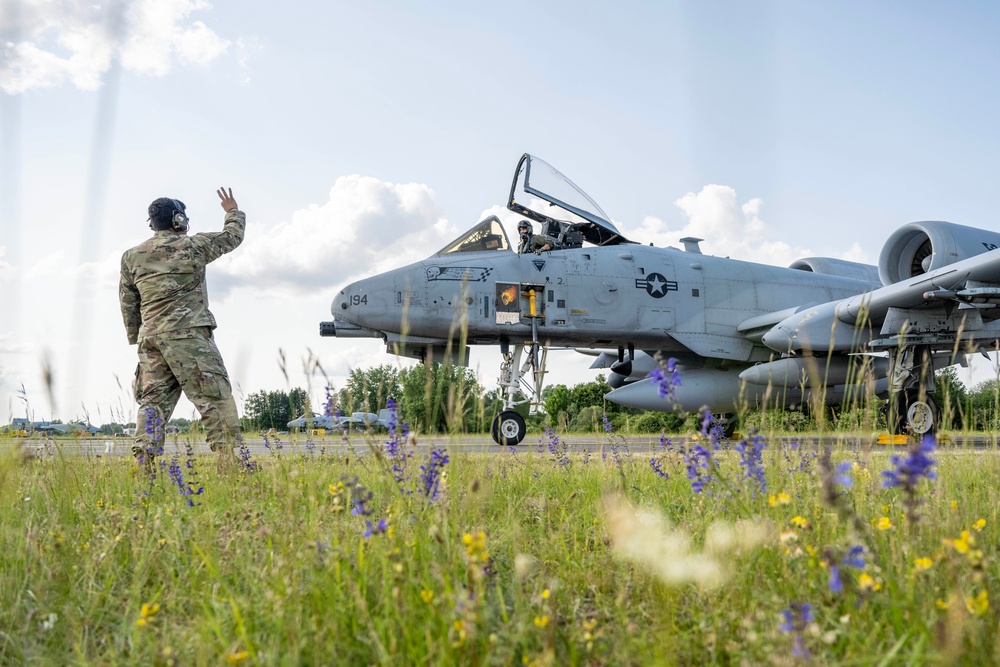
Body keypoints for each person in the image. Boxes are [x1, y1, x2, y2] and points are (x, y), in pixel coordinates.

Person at [119, 187, 245, 468]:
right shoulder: (193, 245)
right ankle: (230, 464)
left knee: (152, 402)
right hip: (189, 336)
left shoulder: (131, 257)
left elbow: (128, 302)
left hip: (151, 339)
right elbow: (232, 237)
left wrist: (137, 335)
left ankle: (144, 466)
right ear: (178, 221)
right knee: (214, 396)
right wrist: (232, 212)